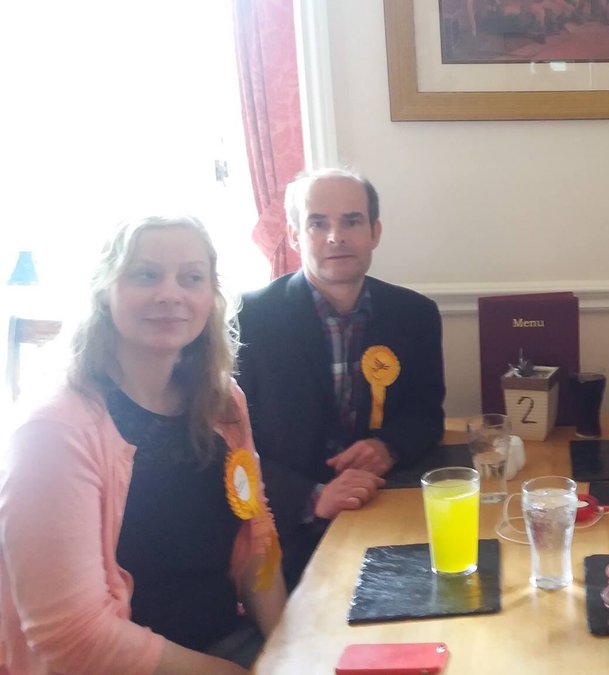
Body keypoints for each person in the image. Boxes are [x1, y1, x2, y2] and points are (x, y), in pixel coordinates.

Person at [0, 216, 284, 674]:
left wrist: (292, 651)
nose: (170, 294)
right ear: (104, 290)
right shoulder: (52, 430)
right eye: (147, 275)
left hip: (224, 644)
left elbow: (257, 539)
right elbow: (73, 637)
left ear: (211, 296)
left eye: (191, 278)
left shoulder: (222, 401)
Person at [236, 168, 446, 589]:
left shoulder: (416, 314)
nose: (336, 237)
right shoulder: (249, 319)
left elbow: (427, 414)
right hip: (287, 530)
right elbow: (233, 448)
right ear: (294, 236)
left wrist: (389, 446)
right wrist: (312, 497)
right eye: (318, 223)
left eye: (352, 221)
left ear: (375, 232)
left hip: (388, 510)